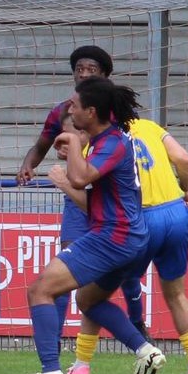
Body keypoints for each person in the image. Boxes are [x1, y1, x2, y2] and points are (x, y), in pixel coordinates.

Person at [20, 78, 166, 374]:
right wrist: (76, 151)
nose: (69, 109)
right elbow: (92, 198)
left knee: (40, 291)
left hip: (113, 238)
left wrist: (73, 144)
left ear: (91, 111)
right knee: (88, 301)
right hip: (126, 238)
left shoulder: (112, 143)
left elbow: (79, 177)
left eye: (74, 105)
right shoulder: (106, 142)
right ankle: (145, 351)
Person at [68, 116, 188, 374]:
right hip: (176, 214)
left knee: (92, 295)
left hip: (139, 221)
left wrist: (64, 182)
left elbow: (93, 198)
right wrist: (187, 189)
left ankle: (81, 367)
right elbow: (184, 159)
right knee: (177, 295)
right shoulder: (148, 126)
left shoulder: (102, 143)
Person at [16, 45, 147, 334]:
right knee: (63, 268)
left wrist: (77, 152)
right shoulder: (64, 111)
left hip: (114, 204)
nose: (84, 74)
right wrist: (29, 163)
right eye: (80, 70)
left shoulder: (117, 117)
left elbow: (127, 157)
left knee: (122, 275)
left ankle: (137, 324)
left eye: (92, 70)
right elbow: (43, 143)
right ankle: (57, 337)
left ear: (105, 76)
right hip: (79, 198)